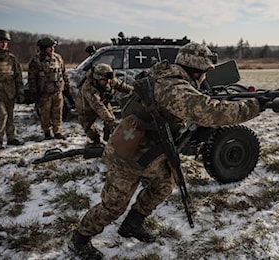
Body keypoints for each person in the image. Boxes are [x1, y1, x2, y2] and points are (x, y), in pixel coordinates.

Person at [69, 42, 262, 259]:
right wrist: (253, 106)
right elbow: (212, 113)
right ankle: (79, 239)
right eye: (205, 72)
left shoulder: (169, 76)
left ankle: (132, 224)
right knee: (113, 206)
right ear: (197, 71)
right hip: (129, 153)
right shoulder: (174, 88)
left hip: (150, 152)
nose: (206, 78)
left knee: (164, 185)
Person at [75, 63, 133, 147]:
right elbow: (98, 106)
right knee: (89, 129)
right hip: (86, 109)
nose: (108, 82)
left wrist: (134, 91)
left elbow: (122, 86)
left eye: (109, 80)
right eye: (105, 80)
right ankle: (96, 141)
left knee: (110, 123)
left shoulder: (109, 79)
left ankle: (109, 139)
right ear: (97, 78)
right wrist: (110, 121)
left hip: (104, 102)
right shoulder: (88, 88)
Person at [27, 37, 71, 140]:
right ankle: (47, 132)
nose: (52, 49)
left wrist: (67, 86)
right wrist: (34, 92)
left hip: (58, 91)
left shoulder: (58, 58)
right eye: (49, 47)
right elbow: (32, 77)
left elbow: (64, 73)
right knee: (45, 114)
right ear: (43, 48)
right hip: (44, 93)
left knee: (58, 113)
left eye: (53, 47)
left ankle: (57, 132)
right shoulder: (36, 60)